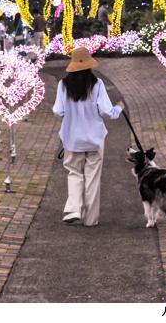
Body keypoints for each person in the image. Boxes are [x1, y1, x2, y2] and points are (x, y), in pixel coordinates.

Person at [52, 47, 126, 226]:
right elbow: (107, 112)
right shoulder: (97, 84)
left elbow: (57, 111)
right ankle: (91, 219)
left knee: (74, 172)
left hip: (72, 137)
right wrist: (119, 108)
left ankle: (73, 209)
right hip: (94, 137)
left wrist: (71, 114)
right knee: (93, 177)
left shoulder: (64, 85)